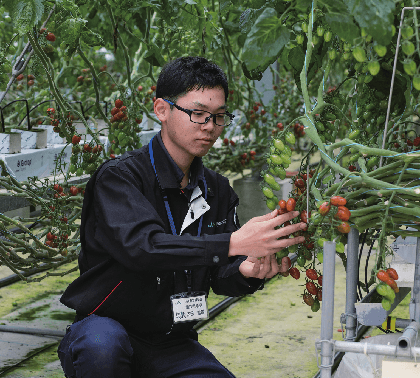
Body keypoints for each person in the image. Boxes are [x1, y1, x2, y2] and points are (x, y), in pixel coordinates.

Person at [57, 56, 306, 378]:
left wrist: (247, 270)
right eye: (197, 114)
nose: (209, 127)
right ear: (162, 109)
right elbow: (144, 248)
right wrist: (232, 242)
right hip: (106, 330)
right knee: (102, 347)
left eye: (218, 117)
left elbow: (220, 277)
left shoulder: (217, 189)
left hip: (172, 342)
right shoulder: (120, 178)